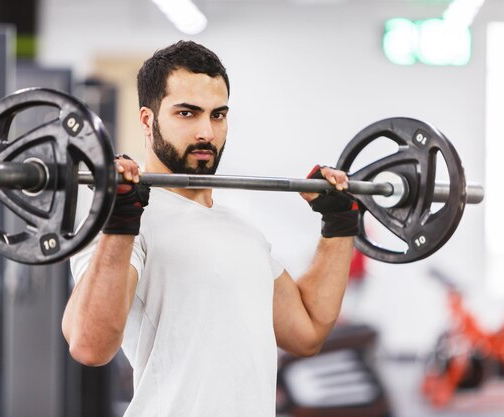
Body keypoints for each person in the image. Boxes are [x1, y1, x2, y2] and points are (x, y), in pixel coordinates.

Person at [62, 40, 359, 417]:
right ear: (147, 120)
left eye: (218, 115)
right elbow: (89, 346)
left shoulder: (242, 231)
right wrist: (120, 221)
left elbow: (308, 330)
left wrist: (339, 225)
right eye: (187, 113)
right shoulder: (129, 222)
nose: (207, 132)